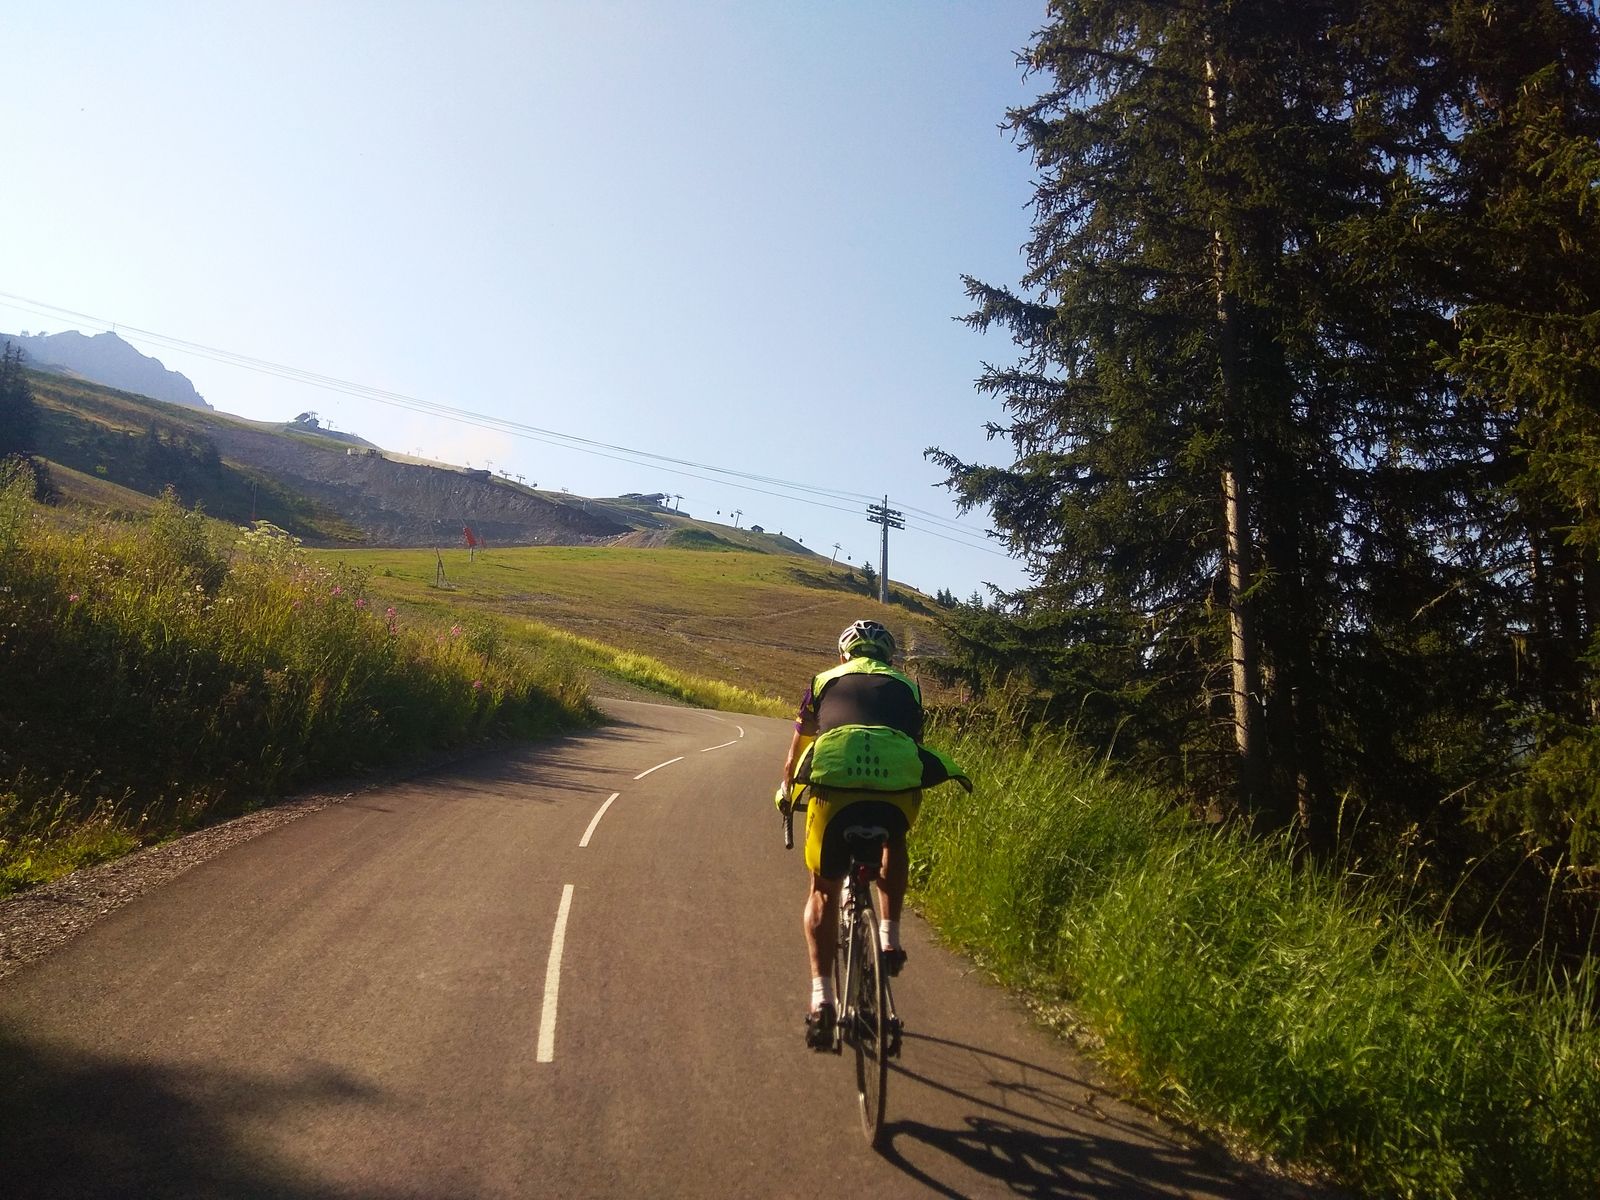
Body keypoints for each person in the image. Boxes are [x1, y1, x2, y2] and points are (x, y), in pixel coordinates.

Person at [778, 618, 968, 1050]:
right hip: (893, 791)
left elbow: (795, 756)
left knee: (822, 889)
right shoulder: (909, 687)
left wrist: (786, 792)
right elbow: (913, 742)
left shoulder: (823, 680)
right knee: (894, 840)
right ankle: (889, 938)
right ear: (889, 657)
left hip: (835, 789)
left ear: (844, 654)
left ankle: (822, 1001)